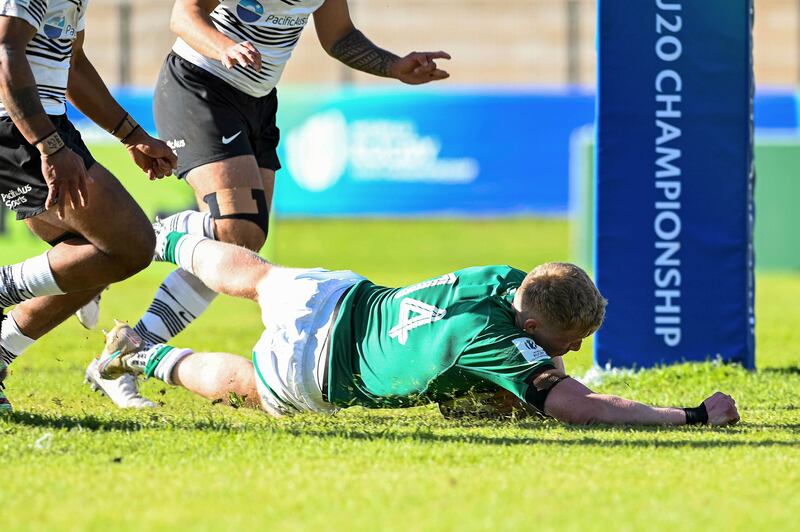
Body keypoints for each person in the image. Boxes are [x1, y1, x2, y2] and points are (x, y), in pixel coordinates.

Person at [116, 0, 451, 405]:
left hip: (257, 98)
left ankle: (132, 345)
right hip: (200, 84)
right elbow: (184, 15)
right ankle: (127, 239)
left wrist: (394, 66)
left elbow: (339, 37)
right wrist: (223, 46)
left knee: (240, 244)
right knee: (235, 228)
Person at [94, 226, 740, 426]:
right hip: (323, 369)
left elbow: (536, 344)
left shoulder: (505, 280)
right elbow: (578, 405)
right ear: (536, 321)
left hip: (341, 298)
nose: (574, 349)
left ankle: (156, 236)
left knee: (259, 274)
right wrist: (690, 416)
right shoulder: (500, 343)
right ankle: (139, 351)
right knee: (244, 383)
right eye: (570, 338)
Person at [0, 0, 177, 411]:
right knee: (130, 245)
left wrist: (131, 133)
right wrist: (48, 144)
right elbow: (5, 50)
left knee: (91, 262)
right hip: (20, 125)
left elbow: (74, 66)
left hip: (46, 122)